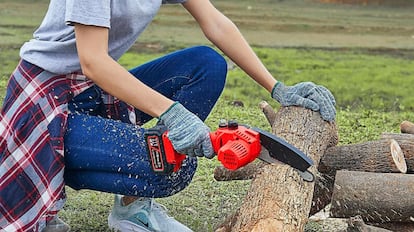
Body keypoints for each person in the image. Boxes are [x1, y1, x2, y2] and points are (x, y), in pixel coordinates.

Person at [0, 0, 336, 231]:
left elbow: (215, 23)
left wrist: (277, 88)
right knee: (169, 169)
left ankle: (132, 209)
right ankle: (56, 170)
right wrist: (173, 114)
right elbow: (93, 61)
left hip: (94, 91)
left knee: (206, 65)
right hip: (45, 102)